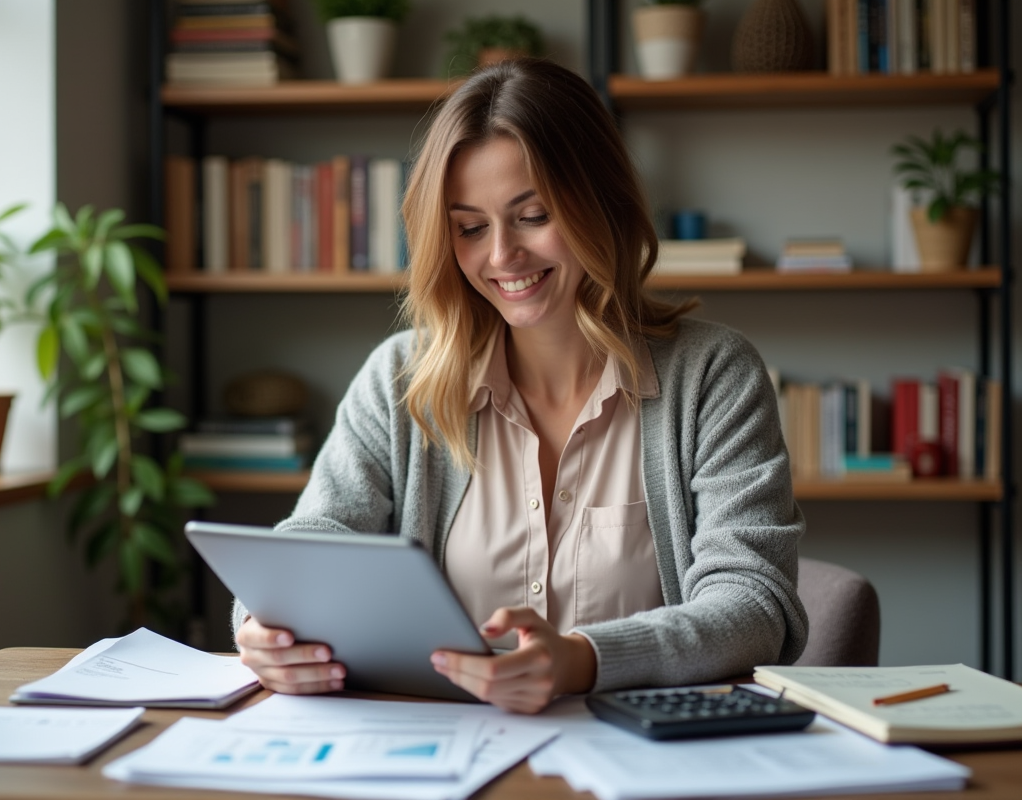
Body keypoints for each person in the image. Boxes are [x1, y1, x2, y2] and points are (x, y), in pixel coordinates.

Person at [234, 58, 807, 714]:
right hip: (447, 745)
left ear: (602, 205)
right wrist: (264, 627)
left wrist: (582, 660)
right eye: (471, 228)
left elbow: (754, 605)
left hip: (641, 750)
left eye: (532, 215)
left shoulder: (714, 375)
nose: (502, 255)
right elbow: (318, 535)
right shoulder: (400, 379)